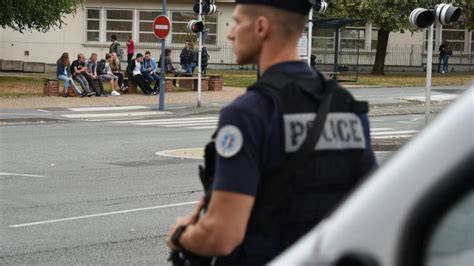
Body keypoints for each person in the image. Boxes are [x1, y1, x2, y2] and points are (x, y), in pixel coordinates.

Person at [166, 1, 377, 265]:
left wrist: (180, 235)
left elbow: (222, 235)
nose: (231, 33)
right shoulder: (347, 105)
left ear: (261, 27)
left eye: (238, 22)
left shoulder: (249, 112)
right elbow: (372, 207)